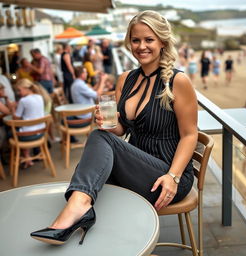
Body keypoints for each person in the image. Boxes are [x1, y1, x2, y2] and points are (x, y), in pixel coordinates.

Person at [30, 10, 198, 245]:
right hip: (137, 167)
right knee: (101, 149)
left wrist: (173, 176)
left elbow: (190, 136)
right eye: (135, 40)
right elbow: (122, 131)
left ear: (162, 41)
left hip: (168, 176)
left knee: (98, 164)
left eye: (149, 39)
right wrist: (111, 126)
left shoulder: (178, 81)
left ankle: (78, 209)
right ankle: (94, 224)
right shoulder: (125, 79)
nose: (141, 46)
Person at [12, 78, 45, 168]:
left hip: (28, 135)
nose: (18, 93)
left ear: (26, 88)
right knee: (22, 129)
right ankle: (28, 158)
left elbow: (16, 118)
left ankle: (27, 158)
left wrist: (13, 107)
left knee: (13, 133)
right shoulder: (39, 97)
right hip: (41, 133)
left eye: (19, 90)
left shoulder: (23, 101)